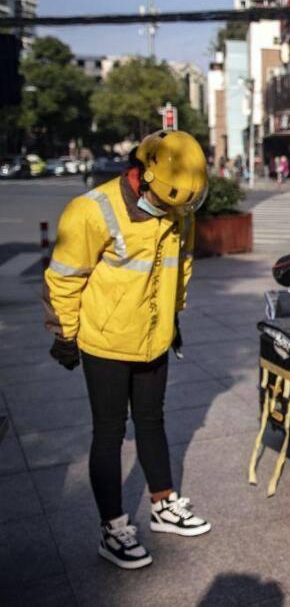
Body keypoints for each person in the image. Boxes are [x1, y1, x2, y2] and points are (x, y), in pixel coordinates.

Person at [44, 130, 213, 570]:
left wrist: (173, 318)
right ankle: (113, 528)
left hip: (152, 336)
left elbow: (183, 267)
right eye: (169, 201)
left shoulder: (177, 211)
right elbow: (63, 277)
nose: (176, 211)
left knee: (153, 421)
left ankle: (163, 505)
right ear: (144, 175)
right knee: (109, 432)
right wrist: (65, 335)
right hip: (105, 340)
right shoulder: (92, 211)